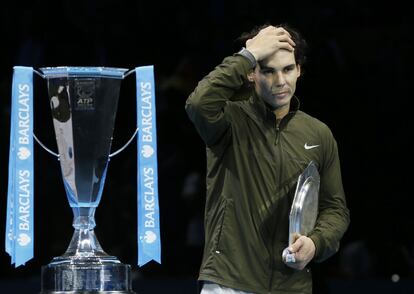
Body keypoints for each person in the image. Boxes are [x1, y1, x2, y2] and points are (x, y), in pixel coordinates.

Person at [185, 23, 350, 294]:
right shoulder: (229, 118)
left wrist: (316, 243)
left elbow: (336, 209)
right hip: (229, 282)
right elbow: (198, 103)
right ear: (252, 73)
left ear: (299, 69)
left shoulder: (319, 134)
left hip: (292, 285)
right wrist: (249, 54)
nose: (281, 81)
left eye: (287, 69)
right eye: (268, 70)